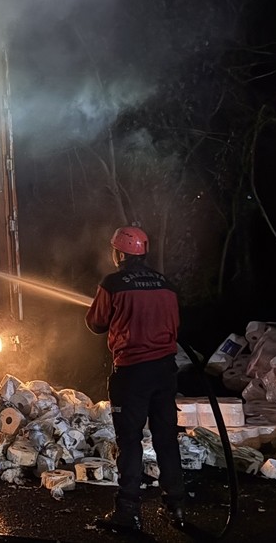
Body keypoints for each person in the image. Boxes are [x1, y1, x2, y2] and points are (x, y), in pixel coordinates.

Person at [85, 226, 186, 532]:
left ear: (119, 254)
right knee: (166, 438)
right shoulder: (166, 283)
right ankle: (176, 506)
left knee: (129, 441)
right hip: (165, 371)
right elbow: (176, 325)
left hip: (132, 373)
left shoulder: (113, 283)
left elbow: (96, 323)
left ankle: (128, 511)